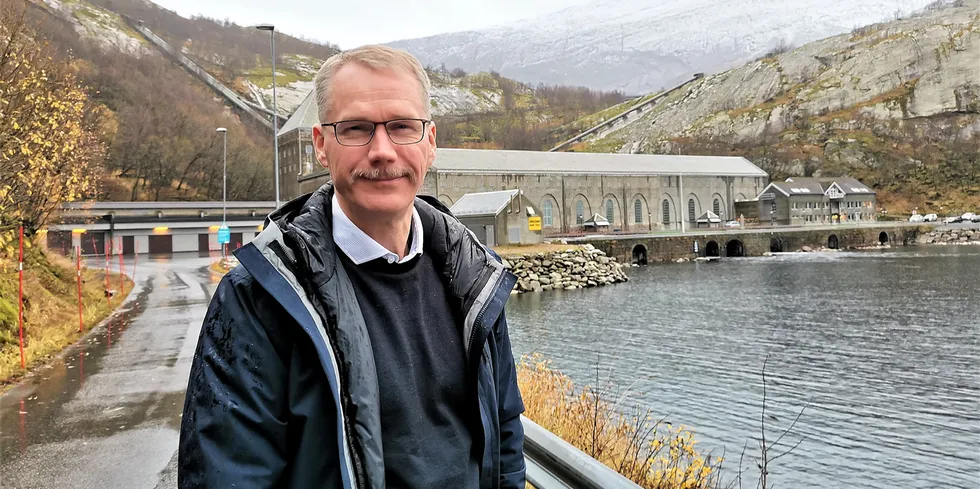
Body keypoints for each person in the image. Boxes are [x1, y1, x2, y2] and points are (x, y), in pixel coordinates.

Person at [178, 45, 526, 489]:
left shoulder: (474, 276)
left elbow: (506, 435)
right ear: (321, 146)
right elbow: (227, 474)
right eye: (357, 129)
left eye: (402, 126)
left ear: (431, 141)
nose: (382, 151)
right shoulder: (258, 299)